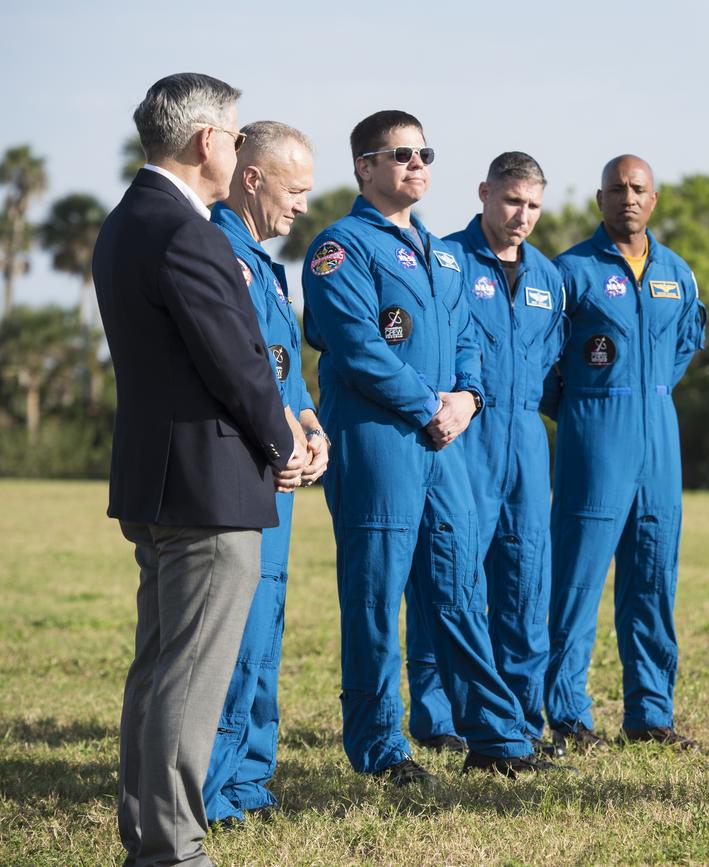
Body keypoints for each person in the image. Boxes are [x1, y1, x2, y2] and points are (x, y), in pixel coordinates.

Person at [301, 110, 558, 780]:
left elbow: (469, 340)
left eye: (424, 154)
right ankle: (381, 746)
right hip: (379, 437)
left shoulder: (445, 256)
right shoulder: (340, 247)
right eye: (401, 154)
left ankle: (496, 734)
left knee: (458, 587)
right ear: (365, 166)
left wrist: (468, 398)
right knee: (376, 594)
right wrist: (426, 405)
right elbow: (355, 344)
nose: (417, 165)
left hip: (445, 444)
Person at [93, 73, 306, 866]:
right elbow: (241, 366)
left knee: (155, 675)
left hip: (157, 479)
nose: (242, 143)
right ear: (209, 141)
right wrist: (286, 447)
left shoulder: (126, 222)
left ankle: (149, 837)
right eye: (237, 131)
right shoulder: (189, 233)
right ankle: (173, 848)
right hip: (208, 488)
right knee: (186, 682)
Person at [405, 152, 567, 755]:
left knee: (526, 584)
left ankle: (521, 718)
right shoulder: (444, 260)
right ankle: (439, 716)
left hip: (526, 443)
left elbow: (556, 363)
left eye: (532, 206)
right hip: (460, 440)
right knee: (449, 579)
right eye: (511, 201)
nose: (521, 215)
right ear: (484, 193)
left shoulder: (550, 278)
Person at [543, 155, 706, 752]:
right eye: (617, 189)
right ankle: (566, 713)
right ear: (599, 199)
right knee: (577, 579)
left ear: (654, 199)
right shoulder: (569, 272)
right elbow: (541, 359)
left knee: (653, 575)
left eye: (638, 189)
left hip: (659, 435)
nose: (628, 199)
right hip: (593, 434)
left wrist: (648, 391)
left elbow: (686, 341)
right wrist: (587, 405)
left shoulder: (676, 272)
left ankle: (650, 714)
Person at [203, 121, 329, 826]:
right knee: (235, 634)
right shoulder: (217, 252)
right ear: (253, 177)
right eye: (297, 188)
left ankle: (250, 779)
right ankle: (211, 792)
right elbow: (233, 372)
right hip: (244, 468)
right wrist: (282, 435)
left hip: (279, 467)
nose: (303, 205)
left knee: (267, 628)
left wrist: (311, 425)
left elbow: (283, 370)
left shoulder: (266, 263)